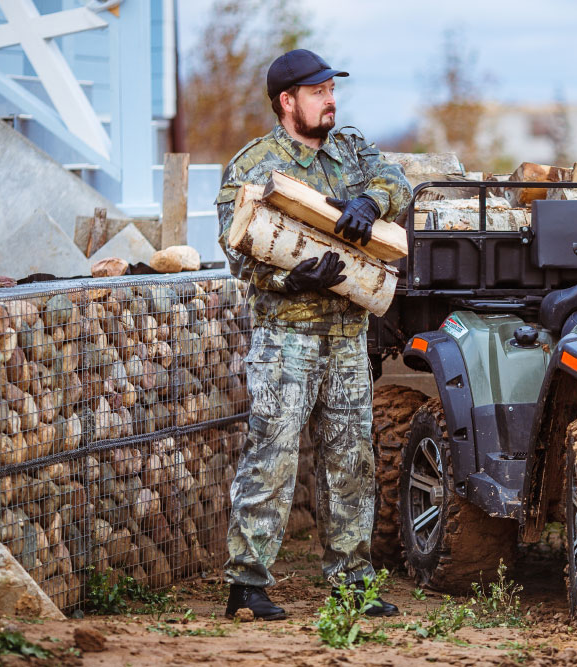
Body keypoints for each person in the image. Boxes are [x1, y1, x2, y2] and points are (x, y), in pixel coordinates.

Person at [216, 48, 411, 621]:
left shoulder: (350, 148)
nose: (331, 101)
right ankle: (247, 585)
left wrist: (370, 202)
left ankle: (352, 582)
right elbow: (238, 253)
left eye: (332, 90)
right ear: (287, 101)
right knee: (272, 457)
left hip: (348, 335)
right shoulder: (255, 165)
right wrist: (291, 278)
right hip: (287, 338)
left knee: (351, 460)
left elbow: (396, 181)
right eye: (319, 91)